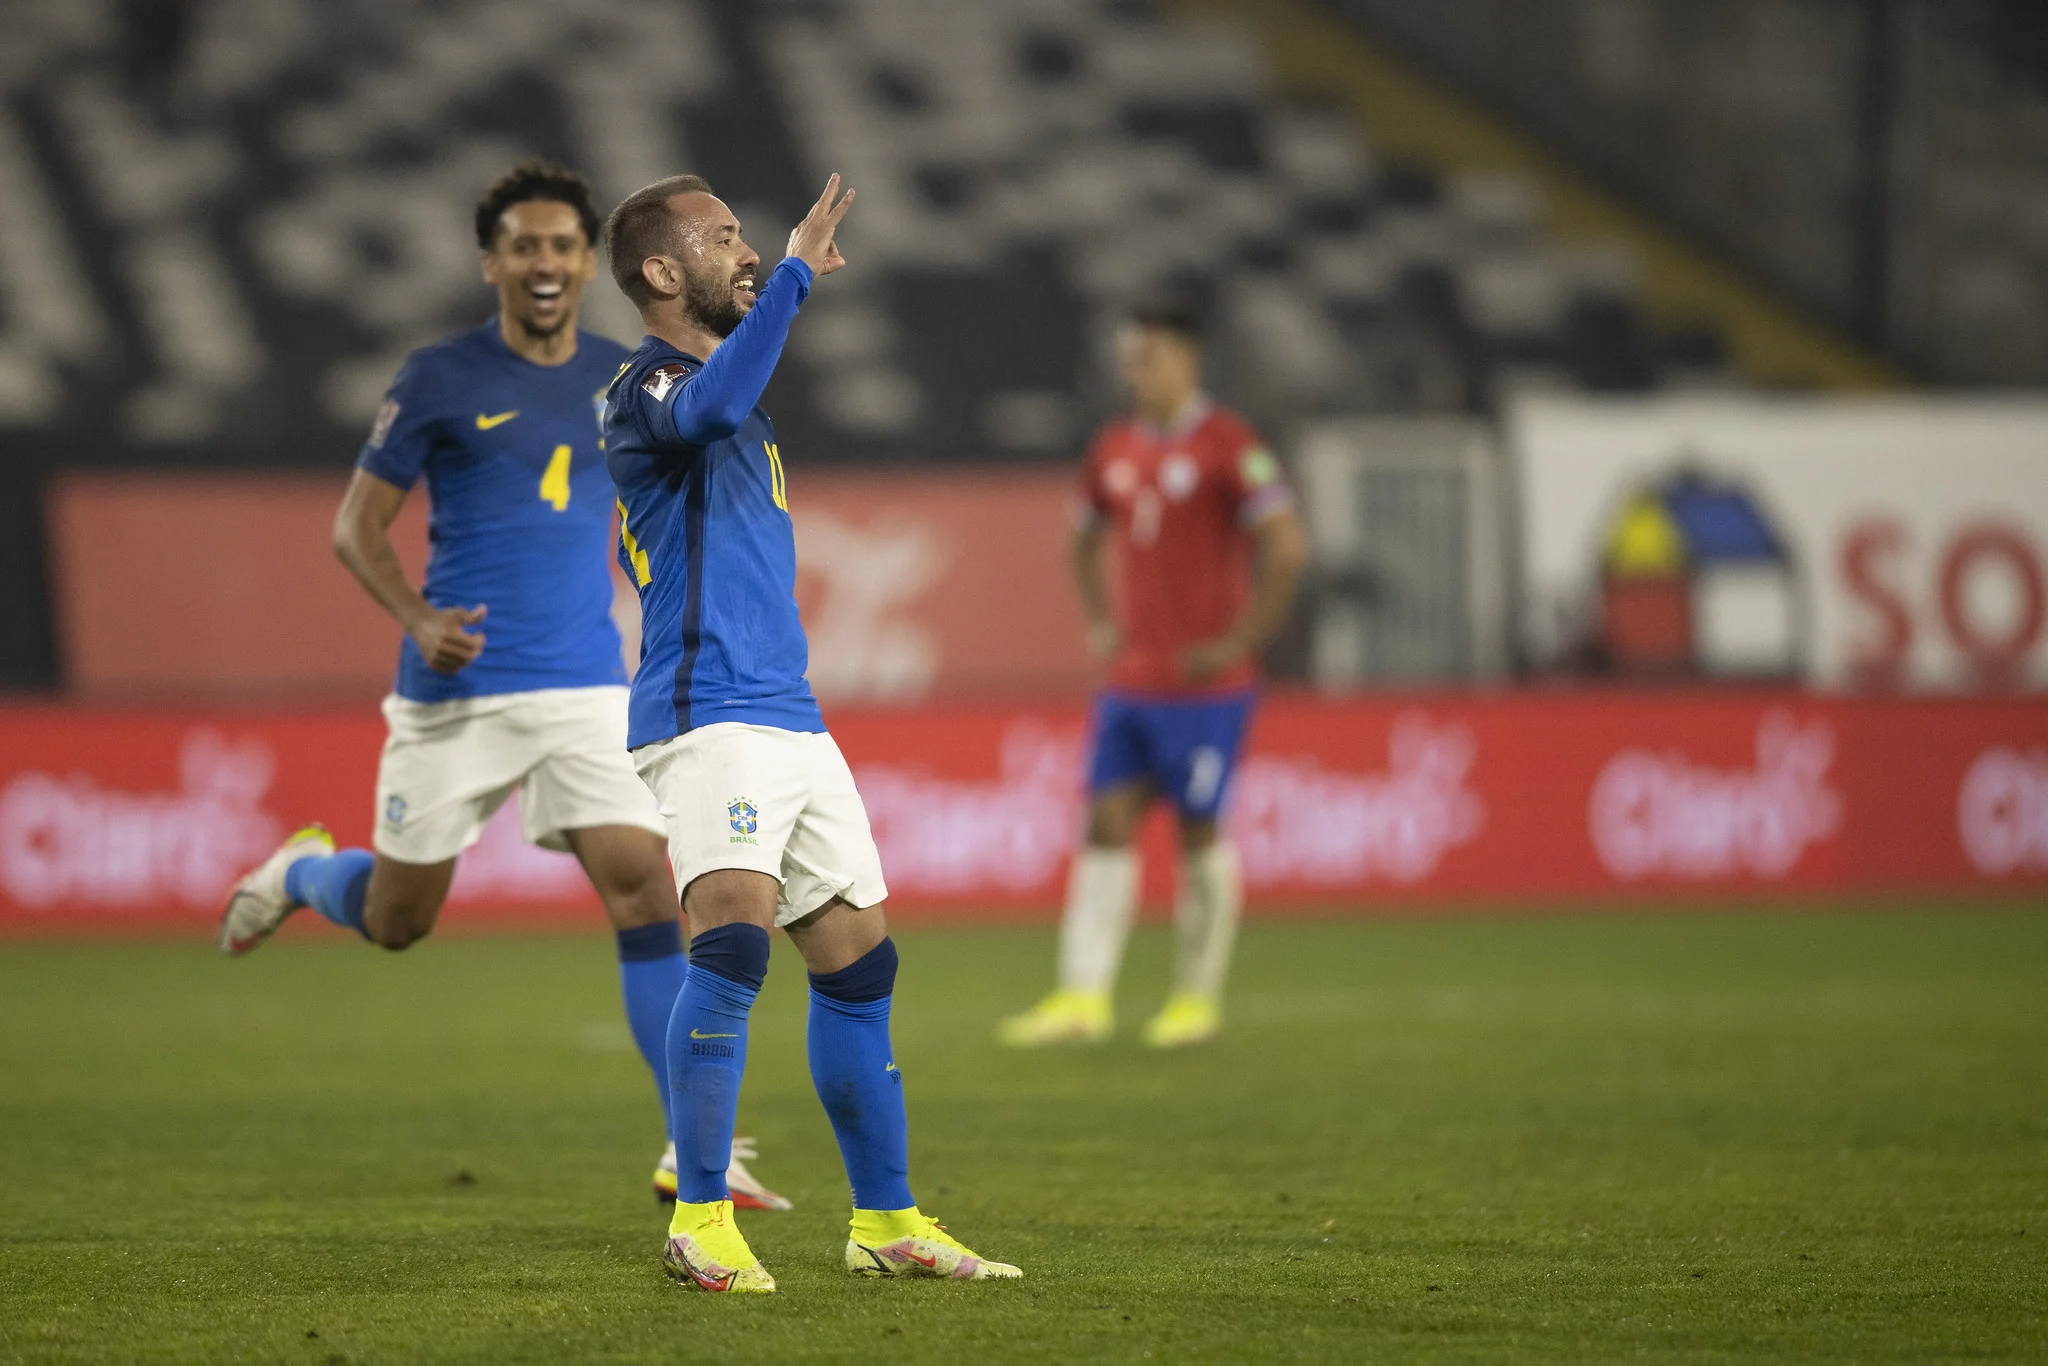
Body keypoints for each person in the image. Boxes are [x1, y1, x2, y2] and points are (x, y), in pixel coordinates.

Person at [216, 159, 787, 1214]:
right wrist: (419, 618)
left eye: (563, 244)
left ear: (585, 262)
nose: (544, 261)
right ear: (493, 262)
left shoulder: (630, 374)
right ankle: (304, 874)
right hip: (458, 689)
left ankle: (690, 1147)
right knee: (398, 919)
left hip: (581, 682)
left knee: (643, 893)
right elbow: (355, 528)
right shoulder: (437, 378)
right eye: (523, 245)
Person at [601, 171, 1020, 1293]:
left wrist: (782, 283)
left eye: (748, 237)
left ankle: (884, 1220)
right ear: (658, 270)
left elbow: (736, 401)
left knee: (856, 959)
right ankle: (698, 1216)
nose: (744, 250)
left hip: (788, 715)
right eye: (722, 236)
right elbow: (714, 408)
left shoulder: (730, 388)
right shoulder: (642, 388)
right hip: (706, 714)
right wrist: (792, 274)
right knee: (731, 943)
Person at [998, 300, 1307, 1049]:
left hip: (1207, 689)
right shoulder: (1113, 449)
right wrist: (1102, 622)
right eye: (1130, 359)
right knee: (1105, 823)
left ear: (1188, 361)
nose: (1136, 372)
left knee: (1200, 830)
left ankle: (1196, 1000)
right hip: (1132, 684)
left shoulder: (1230, 445)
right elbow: (1081, 539)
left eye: (1150, 358)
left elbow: (1288, 547)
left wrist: (1241, 639)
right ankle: (1082, 998)